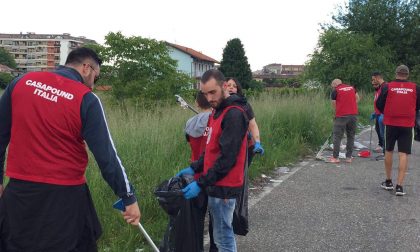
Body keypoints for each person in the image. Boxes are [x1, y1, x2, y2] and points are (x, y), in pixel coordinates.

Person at [0, 47, 140, 251]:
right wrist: (128, 197)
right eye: (96, 78)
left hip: (21, 192)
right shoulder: (86, 99)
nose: (93, 84)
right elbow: (107, 156)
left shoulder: (21, 83)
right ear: (86, 68)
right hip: (65, 196)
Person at [178, 69, 249, 252]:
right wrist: (194, 168)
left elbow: (227, 159)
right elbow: (210, 150)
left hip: (224, 188)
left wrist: (200, 183)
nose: (209, 98)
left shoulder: (233, 114)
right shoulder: (216, 112)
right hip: (215, 185)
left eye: (212, 92)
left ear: (224, 86)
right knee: (218, 236)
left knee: (223, 239)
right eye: (205, 94)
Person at [376, 65, 420, 196]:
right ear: (407, 74)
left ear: (396, 74)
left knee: (388, 150)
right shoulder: (415, 88)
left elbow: (379, 104)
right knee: (403, 154)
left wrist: (388, 112)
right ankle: (399, 186)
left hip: (390, 123)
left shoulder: (387, 86)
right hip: (407, 124)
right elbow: (418, 106)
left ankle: (388, 181)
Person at [225, 77, 264, 165]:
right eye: (228, 85)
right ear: (223, 87)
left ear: (237, 89)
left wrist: (257, 143)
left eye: (234, 86)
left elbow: (253, 125)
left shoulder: (244, 105)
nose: (231, 87)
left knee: (241, 175)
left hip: (245, 145)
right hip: (225, 146)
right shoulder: (218, 105)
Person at [327, 79, 359, 164]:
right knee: (351, 136)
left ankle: (335, 157)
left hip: (341, 116)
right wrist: (350, 105)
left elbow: (334, 103)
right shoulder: (352, 88)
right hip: (353, 115)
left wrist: (336, 112)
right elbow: (357, 98)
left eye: (332, 86)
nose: (332, 87)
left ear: (335, 84)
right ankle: (348, 157)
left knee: (337, 136)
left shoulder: (335, 91)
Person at [185, 91, 212, 162]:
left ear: (197, 103)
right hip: (212, 165)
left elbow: (189, 143)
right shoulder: (217, 120)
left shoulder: (189, 122)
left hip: (195, 165)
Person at [371, 72, 386, 153]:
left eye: (373, 80)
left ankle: (383, 146)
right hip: (377, 113)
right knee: (378, 129)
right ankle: (382, 145)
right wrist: (374, 112)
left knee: (382, 131)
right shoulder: (377, 91)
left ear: (377, 78)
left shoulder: (383, 88)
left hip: (382, 114)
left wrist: (381, 112)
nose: (372, 82)